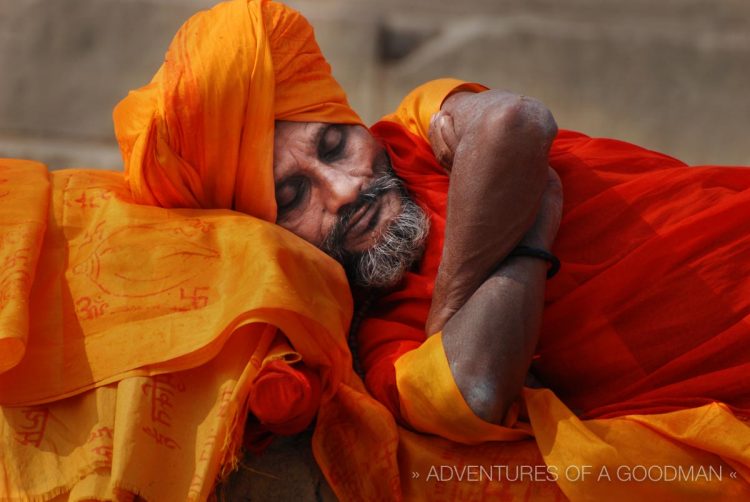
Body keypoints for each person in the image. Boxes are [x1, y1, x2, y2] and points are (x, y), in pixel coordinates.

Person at [2, 1, 749, 500]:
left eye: (334, 145)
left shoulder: (416, 126)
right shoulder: (378, 349)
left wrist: (457, 306)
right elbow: (478, 384)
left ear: (358, 125)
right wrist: (531, 224)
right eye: (291, 198)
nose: (342, 189)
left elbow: (515, 123)